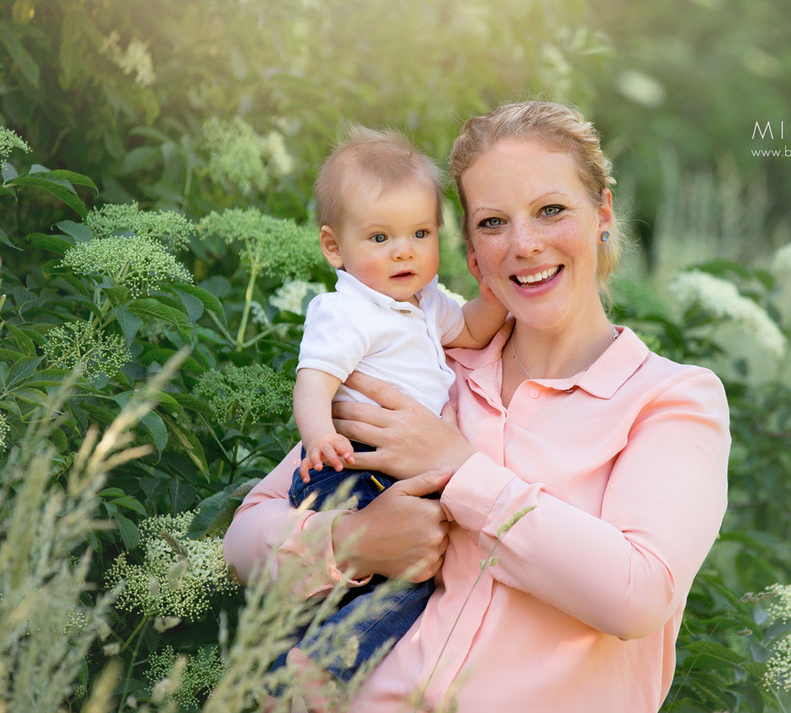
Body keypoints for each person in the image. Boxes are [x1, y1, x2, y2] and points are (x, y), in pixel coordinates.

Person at [224, 101, 730, 713]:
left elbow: (638, 595)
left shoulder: (669, 400)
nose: (524, 244)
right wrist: (354, 539)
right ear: (469, 255)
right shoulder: (427, 371)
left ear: (602, 214)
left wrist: (460, 470)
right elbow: (246, 537)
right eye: (493, 223)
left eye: (550, 210)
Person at [277, 125, 508, 683]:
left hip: (386, 468)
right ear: (335, 247)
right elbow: (314, 380)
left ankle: (298, 661)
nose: (404, 250)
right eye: (380, 238)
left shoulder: (426, 302)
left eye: (420, 233)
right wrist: (317, 436)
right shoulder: (347, 310)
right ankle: (316, 669)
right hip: (349, 464)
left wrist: (499, 287)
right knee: (410, 578)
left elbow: (474, 331)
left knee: (387, 576)